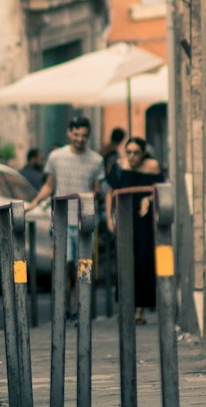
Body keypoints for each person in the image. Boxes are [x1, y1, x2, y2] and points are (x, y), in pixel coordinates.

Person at [28, 114, 105, 315]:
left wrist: (91, 196)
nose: (80, 139)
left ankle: (82, 307)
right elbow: (49, 185)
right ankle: (65, 307)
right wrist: (34, 203)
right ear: (69, 133)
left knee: (84, 266)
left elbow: (98, 189)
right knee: (64, 266)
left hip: (84, 219)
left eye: (84, 136)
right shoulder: (56, 157)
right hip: (61, 219)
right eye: (76, 134)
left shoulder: (97, 160)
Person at [106, 136, 162, 323]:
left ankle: (140, 309)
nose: (131, 156)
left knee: (143, 262)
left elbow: (159, 190)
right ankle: (126, 306)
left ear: (143, 153)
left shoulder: (152, 166)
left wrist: (148, 199)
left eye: (136, 153)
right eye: (128, 152)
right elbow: (110, 193)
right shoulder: (119, 166)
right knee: (124, 260)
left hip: (143, 221)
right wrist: (109, 218)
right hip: (124, 219)